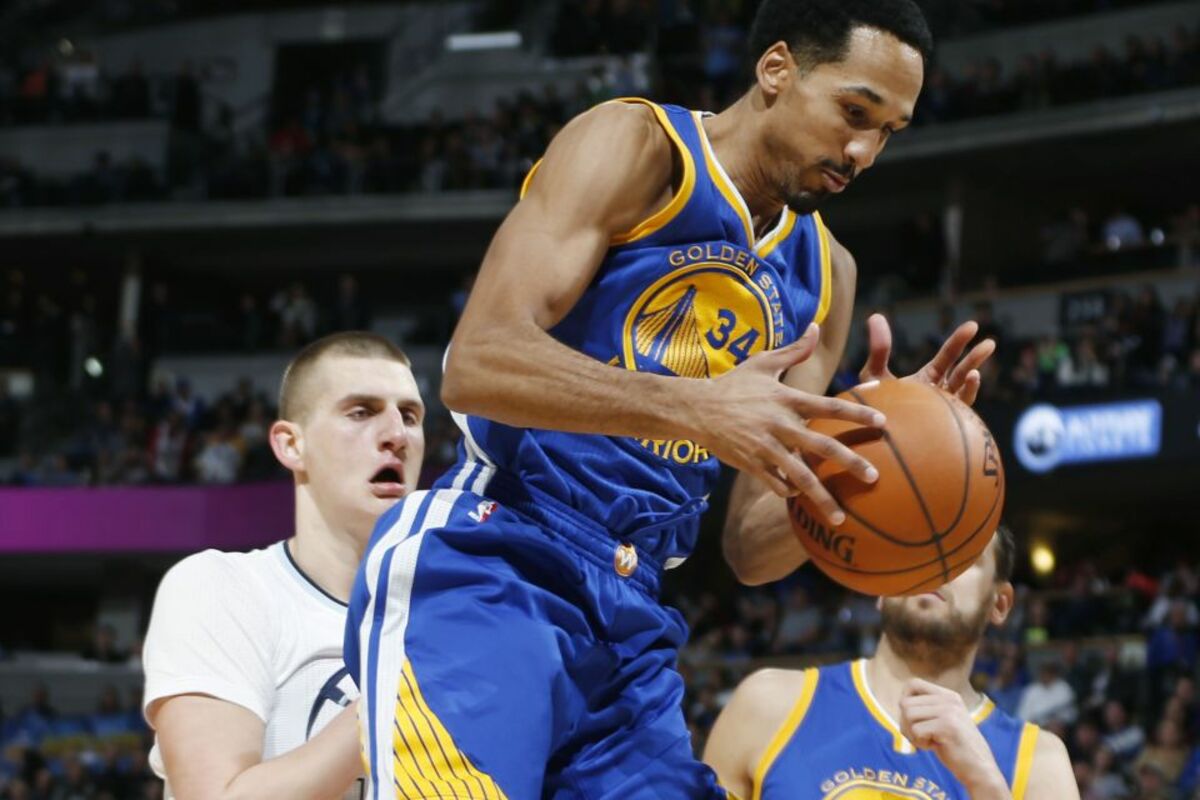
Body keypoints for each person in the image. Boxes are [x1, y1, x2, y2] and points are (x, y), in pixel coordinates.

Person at [347, 1, 994, 797]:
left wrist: (870, 452)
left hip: (634, 616)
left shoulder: (829, 277)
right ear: (777, 69)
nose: (862, 151)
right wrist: (693, 407)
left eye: (888, 130)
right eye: (854, 113)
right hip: (496, 559)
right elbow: (476, 361)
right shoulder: (638, 147)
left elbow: (751, 550)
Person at [142, 332, 425, 799]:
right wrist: (399, 687)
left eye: (410, 416)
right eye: (361, 412)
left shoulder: (452, 609)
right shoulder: (222, 588)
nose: (397, 436)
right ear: (292, 444)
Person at [705, 528, 1079, 799]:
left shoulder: (1039, 760)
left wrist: (987, 786)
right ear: (881, 584)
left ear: (1000, 603)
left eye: (963, 556)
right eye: (918, 546)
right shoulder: (769, 703)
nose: (936, 564)